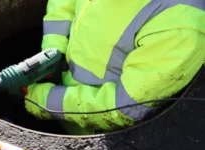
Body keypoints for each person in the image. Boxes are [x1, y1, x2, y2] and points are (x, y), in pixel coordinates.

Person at [23, 0, 205, 135]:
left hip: (99, 137)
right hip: (61, 105)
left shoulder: (180, 25)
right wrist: (53, 51)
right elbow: (63, 4)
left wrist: (43, 100)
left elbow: (125, 108)